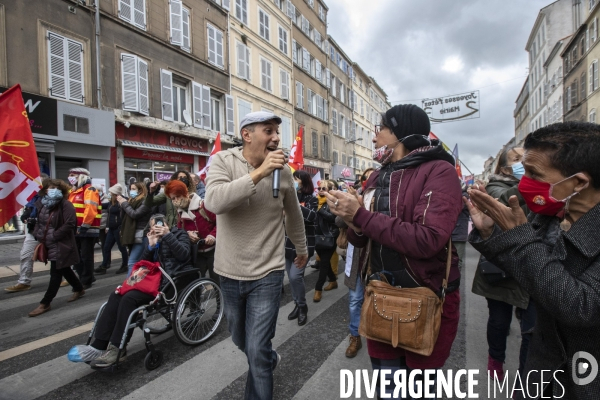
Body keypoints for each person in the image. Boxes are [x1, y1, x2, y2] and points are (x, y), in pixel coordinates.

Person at [327, 104, 462, 397]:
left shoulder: (439, 171)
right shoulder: (376, 177)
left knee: (418, 389)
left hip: (424, 296)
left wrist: (361, 216)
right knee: (388, 388)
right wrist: (352, 219)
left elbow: (428, 239)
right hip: (381, 295)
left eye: (380, 130)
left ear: (400, 132)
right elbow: (360, 239)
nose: (374, 139)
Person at [467, 122, 600, 399]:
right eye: (521, 169)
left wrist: (519, 237)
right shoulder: (552, 214)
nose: (523, 181)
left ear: (579, 182)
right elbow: (527, 271)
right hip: (540, 371)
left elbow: (581, 305)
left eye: (533, 173)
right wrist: (491, 233)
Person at [205, 111, 307, 400]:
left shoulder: (284, 171)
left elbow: (294, 215)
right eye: (268, 130)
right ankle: (266, 357)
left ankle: (263, 360)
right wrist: (260, 172)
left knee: (257, 348)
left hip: (269, 272)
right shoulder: (223, 161)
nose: (276, 137)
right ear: (247, 134)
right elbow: (215, 202)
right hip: (229, 270)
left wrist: (301, 248)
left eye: (277, 131)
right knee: (241, 339)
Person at [79, 215, 192, 368]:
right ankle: (99, 344)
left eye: (159, 225)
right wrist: (151, 246)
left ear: (167, 223)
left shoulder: (179, 233)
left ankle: (118, 347)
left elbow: (184, 255)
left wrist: (167, 235)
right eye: (153, 227)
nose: (156, 229)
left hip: (170, 282)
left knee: (129, 299)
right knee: (116, 295)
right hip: (150, 280)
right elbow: (142, 264)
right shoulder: (154, 239)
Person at [470, 146, 535, 381]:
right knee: (499, 320)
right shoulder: (496, 186)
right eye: (518, 159)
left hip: (531, 265)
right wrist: (536, 176)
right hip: (501, 266)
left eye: (526, 157)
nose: (524, 161)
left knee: (531, 329)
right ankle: (495, 359)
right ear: (506, 168)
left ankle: (524, 379)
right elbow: (508, 199)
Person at [28, 179, 86, 317]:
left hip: (61, 244)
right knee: (64, 268)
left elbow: (70, 223)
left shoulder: (66, 205)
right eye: (49, 187)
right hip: (48, 243)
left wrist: (54, 235)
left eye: (55, 188)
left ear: (61, 190)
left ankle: (45, 303)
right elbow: (39, 223)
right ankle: (79, 288)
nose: (52, 190)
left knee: (55, 274)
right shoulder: (42, 204)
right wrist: (38, 234)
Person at [341, 167, 374, 358]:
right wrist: (352, 207)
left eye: (371, 178)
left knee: (377, 298)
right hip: (356, 257)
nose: (368, 181)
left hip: (375, 257)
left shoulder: (382, 198)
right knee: (355, 300)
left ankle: (376, 334)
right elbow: (339, 222)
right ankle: (355, 336)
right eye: (365, 178)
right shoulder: (354, 198)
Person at [165, 179, 218, 283]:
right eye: (173, 198)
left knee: (217, 281)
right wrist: (187, 234)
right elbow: (180, 231)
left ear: (186, 193)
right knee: (195, 281)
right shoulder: (179, 213)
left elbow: (220, 223)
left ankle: (220, 299)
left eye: (178, 196)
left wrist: (212, 236)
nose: (176, 200)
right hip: (196, 251)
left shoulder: (203, 205)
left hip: (213, 251)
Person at [5, 174, 49, 292]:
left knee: (58, 255)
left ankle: (68, 277)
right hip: (33, 230)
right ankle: (24, 282)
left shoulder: (53, 198)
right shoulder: (32, 197)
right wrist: (26, 215)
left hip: (49, 231)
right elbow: (29, 209)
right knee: (25, 255)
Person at [285, 170, 318, 326]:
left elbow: (311, 216)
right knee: (291, 279)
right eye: (292, 179)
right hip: (287, 243)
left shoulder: (312, 199)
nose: (293, 181)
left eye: (296, 179)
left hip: (304, 243)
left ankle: (303, 306)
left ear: (304, 182)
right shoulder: (287, 196)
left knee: (295, 276)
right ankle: (297, 305)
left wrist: (295, 204)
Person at [68, 168, 101, 289]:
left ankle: (86, 279)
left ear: (80, 176)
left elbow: (91, 209)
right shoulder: (74, 191)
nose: (70, 177)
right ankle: (86, 276)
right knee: (75, 255)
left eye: (73, 175)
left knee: (86, 256)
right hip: (74, 228)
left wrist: (84, 226)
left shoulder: (90, 190)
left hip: (87, 228)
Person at [313, 181, 340, 303]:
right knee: (325, 262)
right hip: (317, 237)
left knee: (324, 263)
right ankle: (333, 280)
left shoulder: (333, 202)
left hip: (330, 237)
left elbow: (334, 219)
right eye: (319, 188)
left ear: (329, 190)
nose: (320, 190)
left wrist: (320, 210)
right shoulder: (314, 201)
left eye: (324, 188)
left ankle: (318, 289)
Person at [117, 182, 152, 276]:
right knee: (139, 262)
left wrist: (124, 204)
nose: (131, 191)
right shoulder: (131, 201)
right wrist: (123, 205)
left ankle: (128, 286)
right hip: (134, 234)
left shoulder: (145, 201)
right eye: (131, 188)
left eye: (133, 189)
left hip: (141, 234)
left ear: (140, 190)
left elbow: (135, 214)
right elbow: (124, 216)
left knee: (132, 261)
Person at [95, 184, 129, 275]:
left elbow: (125, 215)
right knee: (106, 247)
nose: (109, 194)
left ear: (115, 193)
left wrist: (122, 227)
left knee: (122, 248)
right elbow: (103, 207)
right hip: (111, 229)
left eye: (111, 193)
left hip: (118, 229)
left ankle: (125, 265)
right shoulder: (111, 202)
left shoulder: (121, 202)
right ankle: (104, 266)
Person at [452, 179, 470, 272]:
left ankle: (455, 283)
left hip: (459, 235)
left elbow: (455, 207)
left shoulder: (464, 196)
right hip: (449, 233)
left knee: (457, 261)